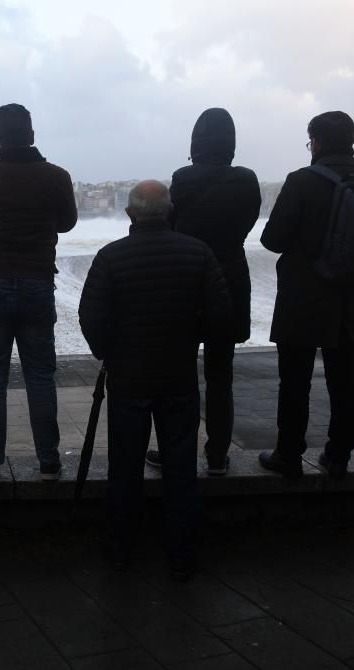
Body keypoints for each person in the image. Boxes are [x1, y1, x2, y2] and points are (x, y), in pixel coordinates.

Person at [79, 180, 230, 580]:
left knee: (124, 467)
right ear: (170, 211)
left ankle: (121, 548)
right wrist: (189, 339)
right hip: (178, 375)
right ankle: (182, 550)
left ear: (129, 214)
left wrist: (108, 352)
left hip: (128, 378)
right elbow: (219, 316)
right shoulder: (198, 254)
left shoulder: (111, 257)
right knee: (180, 466)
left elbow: (91, 317)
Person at [259, 111, 354, 479]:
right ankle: (338, 454)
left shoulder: (302, 181)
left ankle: (288, 454)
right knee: (345, 378)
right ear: (351, 140)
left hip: (303, 297)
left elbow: (272, 240)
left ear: (315, 142)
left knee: (295, 379)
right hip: (349, 295)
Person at [0, 103, 77, 484]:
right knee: (40, 375)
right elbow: (69, 221)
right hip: (38, 281)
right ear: (32, 134)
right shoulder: (56, 176)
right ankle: (49, 462)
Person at [146, 108, 261, 476]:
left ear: (196, 143)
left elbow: (173, 223)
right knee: (220, 375)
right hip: (230, 279)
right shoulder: (247, 180)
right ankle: (217, 456)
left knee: (180, 376)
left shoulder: (184, 178)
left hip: (189, 280)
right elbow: (248, 221)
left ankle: (176, 450)